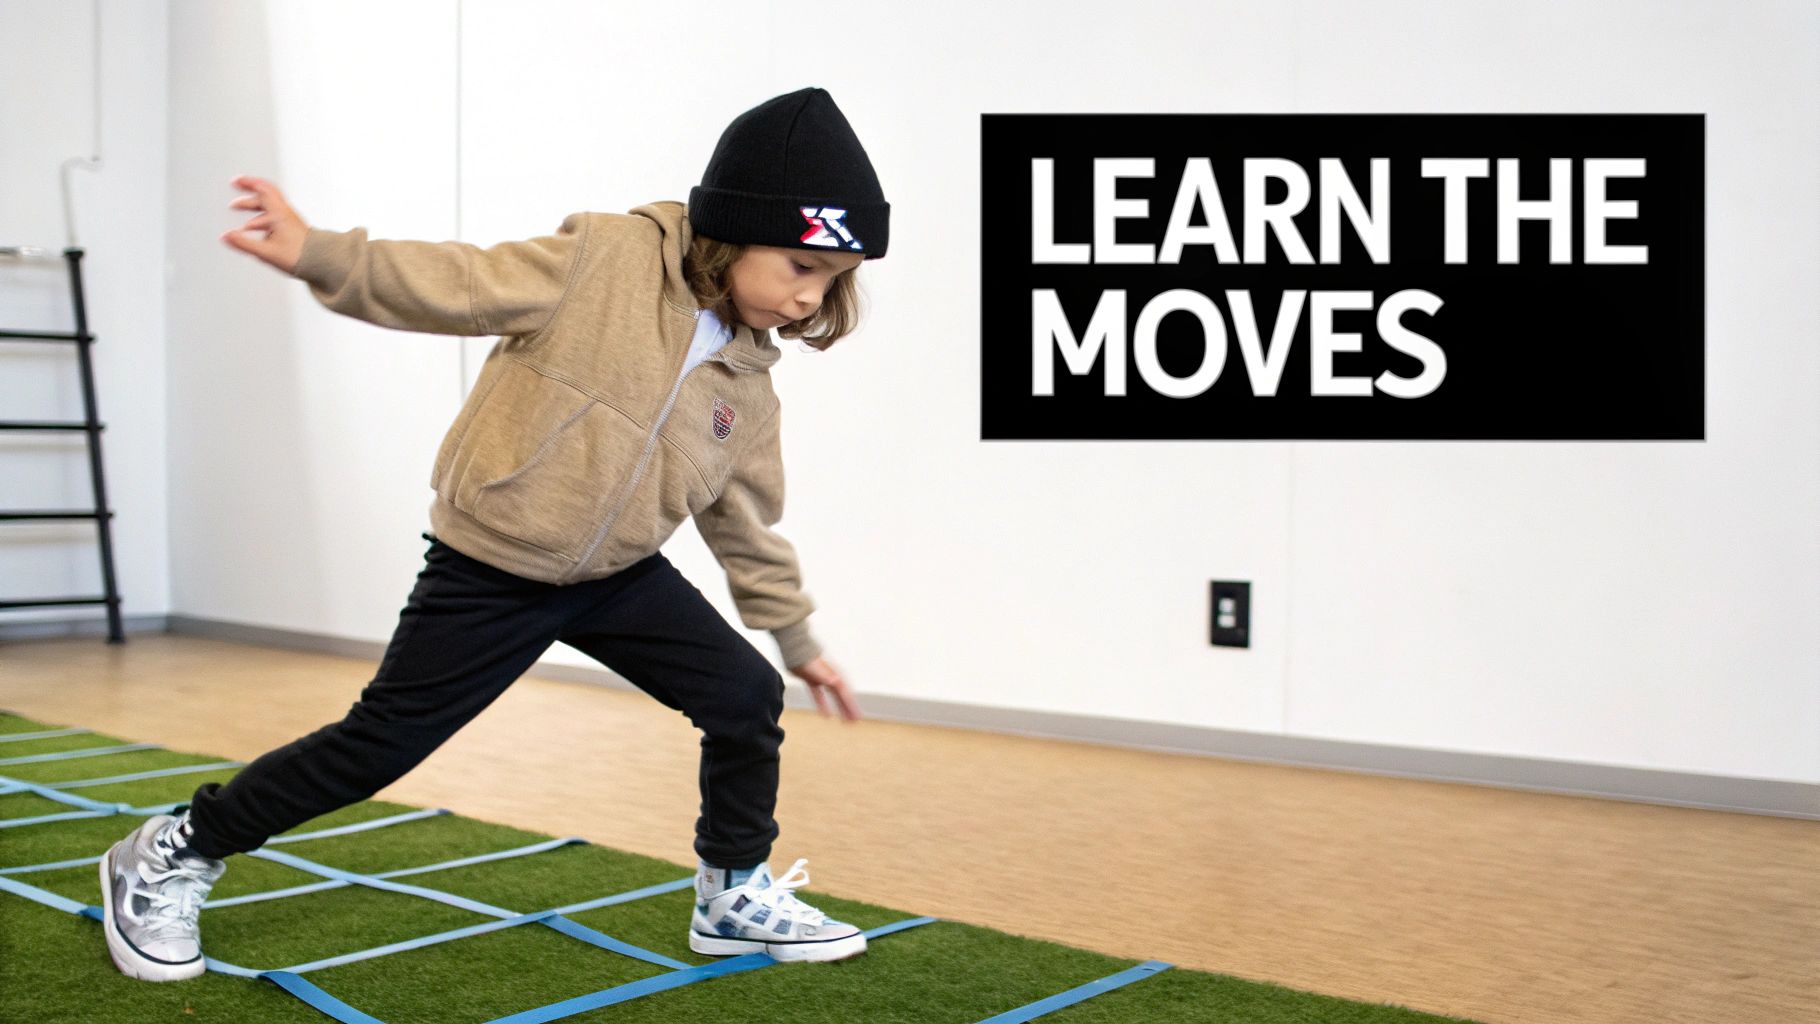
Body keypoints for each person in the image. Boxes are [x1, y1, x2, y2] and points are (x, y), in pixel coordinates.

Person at [99, 86, 890, 982]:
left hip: (615, 575)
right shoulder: (605, 259)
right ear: (733, 231)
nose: (810, 297)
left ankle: (733, 894)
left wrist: (795, 637)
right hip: (495, 564)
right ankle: (175, 848)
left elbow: (744, 524)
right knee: (376, 746)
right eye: (799, 266)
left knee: (745, 695)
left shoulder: (747, 383)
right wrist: (320, 255)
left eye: (832, 281)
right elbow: (459, 281)